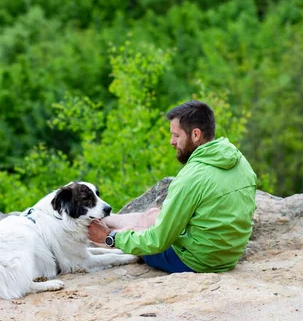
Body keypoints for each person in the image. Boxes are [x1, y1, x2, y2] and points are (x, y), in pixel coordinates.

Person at [88, 100, 257, 273]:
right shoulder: (241, 162)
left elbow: (157, 241)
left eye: (176, 135)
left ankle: (93, 226)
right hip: (228, 256)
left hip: (196, 262)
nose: (171, 141)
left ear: (196, 134)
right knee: (153, 214)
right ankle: (104, 219)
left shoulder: (192, 177)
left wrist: (109, 238)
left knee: (139, 230)